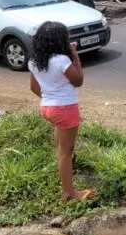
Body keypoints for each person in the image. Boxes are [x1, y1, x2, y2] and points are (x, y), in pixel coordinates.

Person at [29, 21, 96, 201]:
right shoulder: (61, 60)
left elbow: (34, 87)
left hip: (48, 107)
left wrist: (50, 98)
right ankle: (70, 193)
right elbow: (78, 80)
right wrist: (76, 57)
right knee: (65, 151)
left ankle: (67, 164)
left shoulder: (35, 62)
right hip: (65, 108)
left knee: (63, 147)